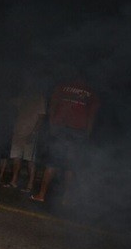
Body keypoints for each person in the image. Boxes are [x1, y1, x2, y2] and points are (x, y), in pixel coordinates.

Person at [31, 73, 100, 203]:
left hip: (60, 129)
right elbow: (91, 117)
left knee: (52, 163)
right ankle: (65, 198)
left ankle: (41, 195)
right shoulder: (91, 93)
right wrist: (87, 135)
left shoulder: (62, 87)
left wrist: (52, 125)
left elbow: (52, 106)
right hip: (77, 131)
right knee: (70, 166)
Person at [4, 91, 47, 193]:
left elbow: (41, 118)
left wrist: (33, 133)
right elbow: (11, 102)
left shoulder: (39, 98)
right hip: (18, 132)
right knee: (16, 158)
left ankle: (30, 185)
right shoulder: (24, 97)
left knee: (30, 160)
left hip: (30, 134)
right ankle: (13, 182)